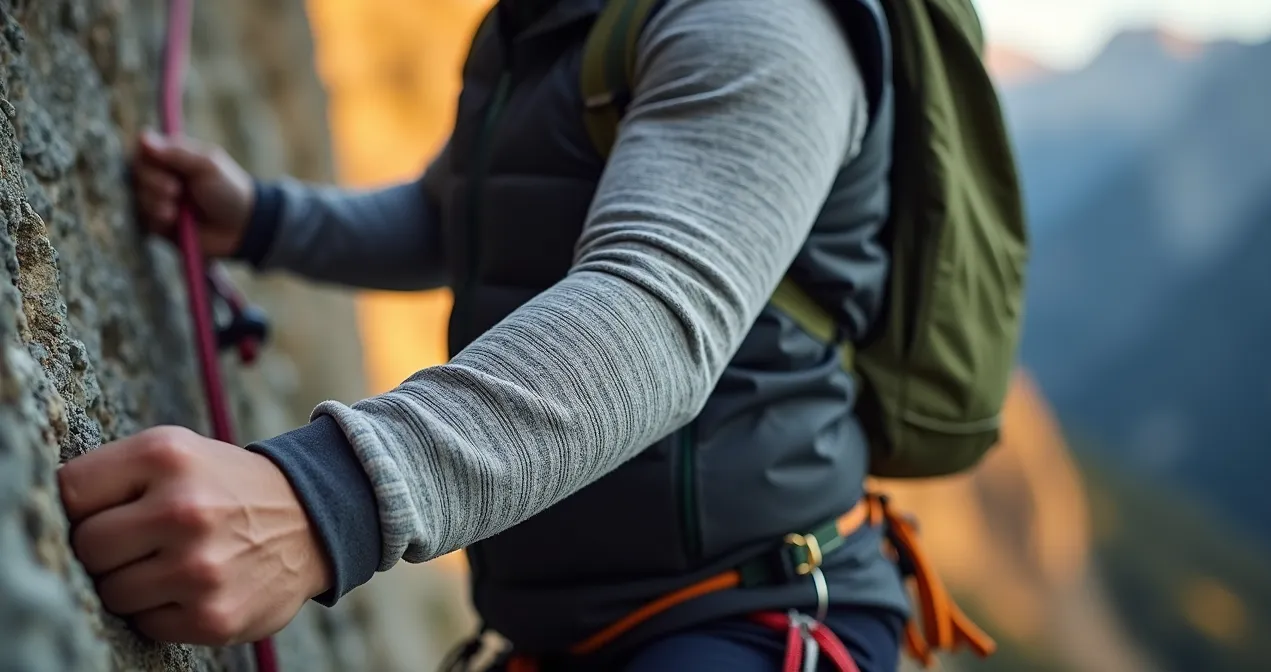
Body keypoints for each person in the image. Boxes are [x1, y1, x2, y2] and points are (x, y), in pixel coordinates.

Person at [59, 0, 945, 668]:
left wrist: (326, 499)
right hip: (574, 618)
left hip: (747, 611)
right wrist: (263, 220)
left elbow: (660, 312)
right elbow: (457, 216)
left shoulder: (762, 24)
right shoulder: (544, 21)